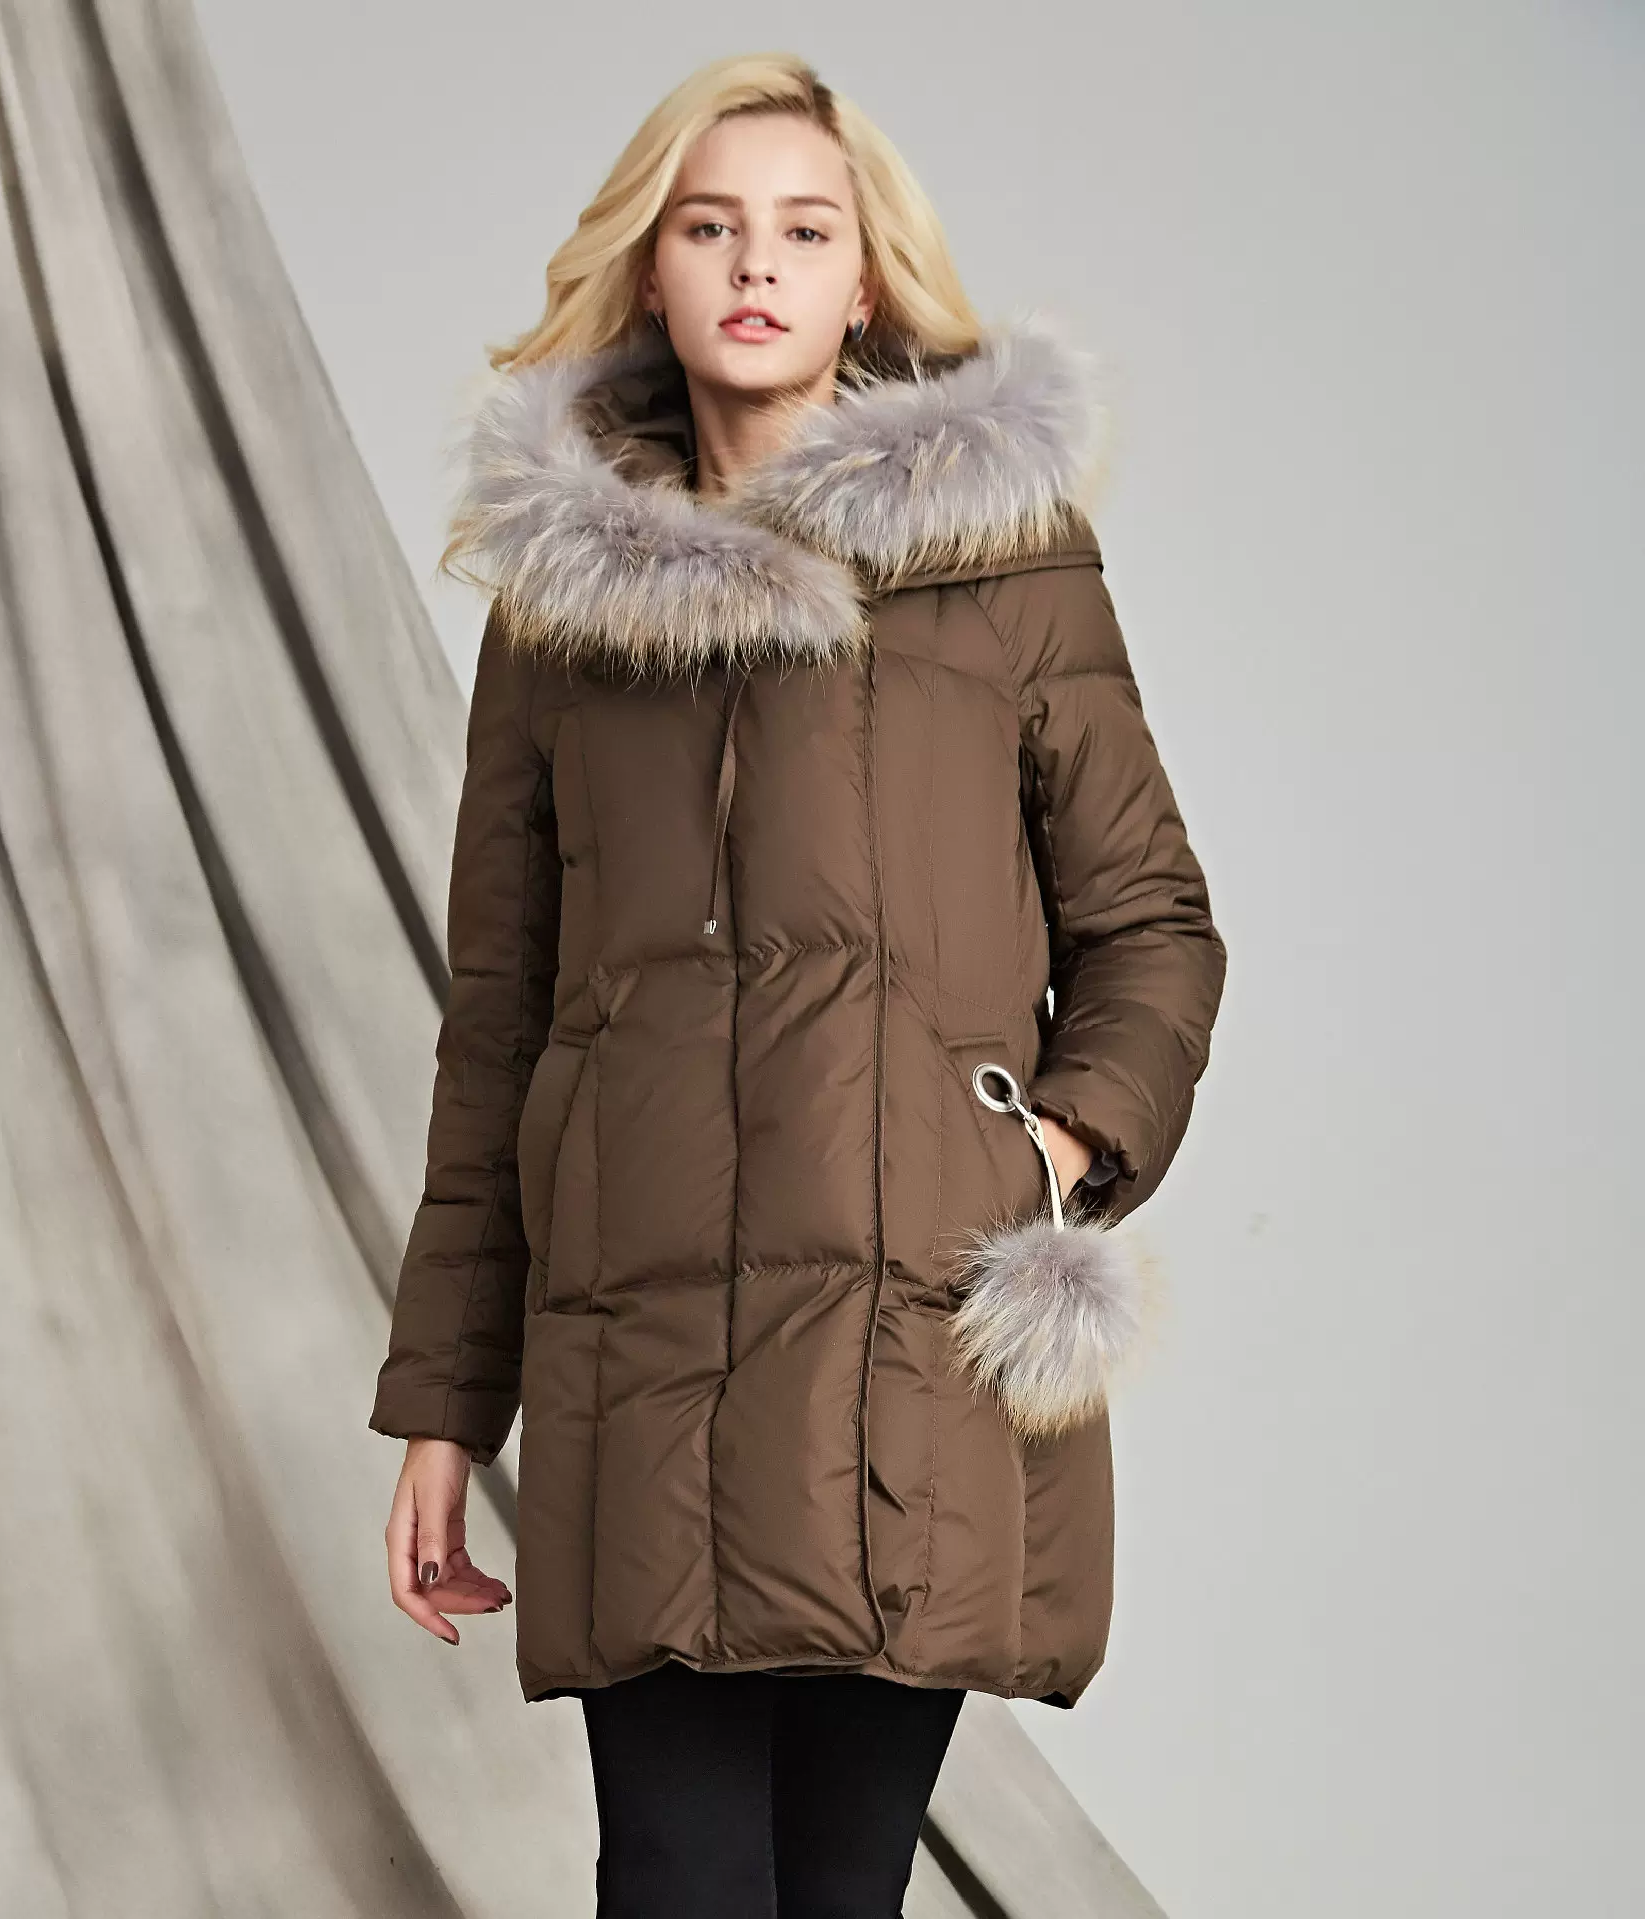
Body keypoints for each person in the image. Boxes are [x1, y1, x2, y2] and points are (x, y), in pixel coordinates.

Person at [369, 50, 1228, 1917]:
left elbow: (1152, 924)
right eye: (709, 226)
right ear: (651, 269)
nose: (755, 264)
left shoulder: (1002, 560)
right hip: (639, 1367)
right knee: (676, 1882)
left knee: (839, 1896)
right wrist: (445, 1403)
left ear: (863, 281)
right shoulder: (557, 607)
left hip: (903, 1357)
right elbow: (498, 1027)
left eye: (803, 230)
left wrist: (1043, 1155)